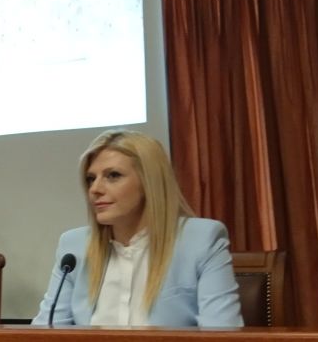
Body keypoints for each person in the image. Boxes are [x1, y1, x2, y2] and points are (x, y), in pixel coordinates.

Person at [32, 130, 242, 327]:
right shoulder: (74, 246)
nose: (95, 189)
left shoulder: (201, 239)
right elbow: (47, 329)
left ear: (149, 182)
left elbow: (222, 332)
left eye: (113, 175)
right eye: (91, 179)